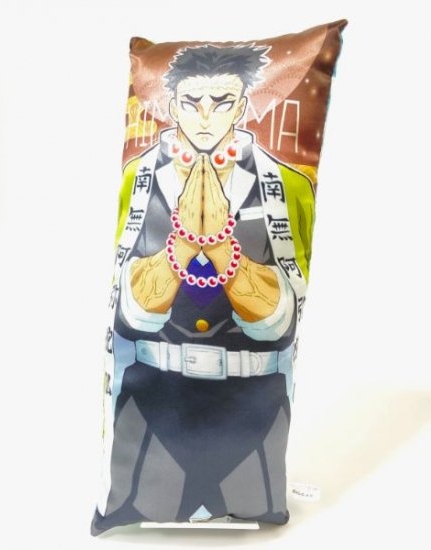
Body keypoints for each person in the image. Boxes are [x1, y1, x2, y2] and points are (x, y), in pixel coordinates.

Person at [92, 44, 315, 533]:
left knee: (258, 498)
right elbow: (130, 310)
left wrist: (220, 249)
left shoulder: (286, 184)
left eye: (222, 102)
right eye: (193, 103)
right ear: (173, 107)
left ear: (241, 107)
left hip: (255, 407)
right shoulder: (140, 176)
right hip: (151, 404)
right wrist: (180, 247)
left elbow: (282, 318)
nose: (206, 116)